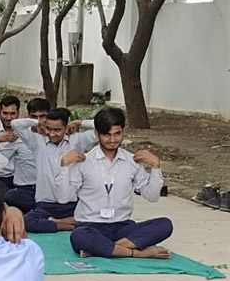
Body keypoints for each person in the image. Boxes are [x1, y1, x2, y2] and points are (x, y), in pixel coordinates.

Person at [61, 107, 174, 259]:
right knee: (79, 235)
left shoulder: (131, 161)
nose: (113, 140)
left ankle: (106, 248)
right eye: (107, 135)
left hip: (122, 226)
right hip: (91, 226)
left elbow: (152, 197)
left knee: (165, 225)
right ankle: (137, 253)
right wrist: (64, 166)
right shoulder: (83, 161)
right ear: (97, 134)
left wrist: (156, 166)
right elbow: (64, 198)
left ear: (123, 132)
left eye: (117, 134)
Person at [12, 107, 96, 233]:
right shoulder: (37, 142)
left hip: (71, 204)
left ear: (66, 128)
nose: (52, 134)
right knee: (28, 222)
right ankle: (68, 225)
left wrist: (79, 123)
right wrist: (37, 123)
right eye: (49, 129)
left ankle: (55, 222)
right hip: (46, 205)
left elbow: (102, 128)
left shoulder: (76, 140)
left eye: (57, 130)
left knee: (97, 219)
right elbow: (15, 124)